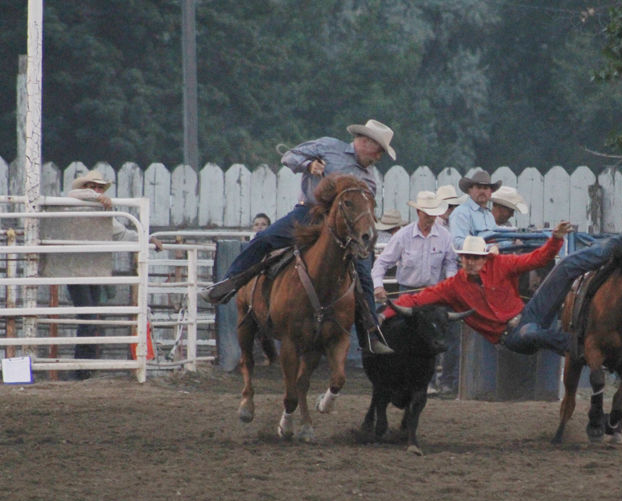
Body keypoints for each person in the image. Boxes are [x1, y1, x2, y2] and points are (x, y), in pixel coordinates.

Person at [200, 119, 396, 354]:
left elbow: (364, 209)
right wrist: (308, 164)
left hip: (343, 228)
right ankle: (229, 283)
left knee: (364, 272)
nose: (379, 157)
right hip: (310, 213)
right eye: (379, 150)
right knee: (264, 239)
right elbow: (289, 157)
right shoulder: (327, 146)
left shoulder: (369, 179)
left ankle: (370, 332)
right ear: (366, 142)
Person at [385, 222, 576, 355]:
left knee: (566, 266)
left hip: (526, 315)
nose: (470, 261)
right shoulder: (453, 286)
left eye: (475, 257)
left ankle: (606, 252)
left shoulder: (500, 263)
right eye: (466, 257)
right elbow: (416, 299)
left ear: (484, 258)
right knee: (531, 333)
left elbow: (538, 259)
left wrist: (556, 239)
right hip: (509, 334)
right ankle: (576, 346)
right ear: (461, 258)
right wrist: (385, 314)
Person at [64, 170, 163, 379]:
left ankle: (85, 369)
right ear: (86, 188)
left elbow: (124, 234)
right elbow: (73, 195)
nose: (98, 191)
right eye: (93, 187)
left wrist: (147, 238)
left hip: (94, 269)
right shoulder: (77, 204)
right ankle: (81, 370)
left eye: (100, 187)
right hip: (77, 268)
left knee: (91, 318)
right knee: (89, 317)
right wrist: (98, 197)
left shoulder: (105, 214)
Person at [372, 192, 457, 301]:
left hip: (434, 292)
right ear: (418, 212)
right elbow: (382, 262)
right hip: (406, 293)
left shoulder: (445, 236)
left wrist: (450, 284)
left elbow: (450, 264)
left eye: (434, 215)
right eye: (427, 215)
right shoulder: (403, 235)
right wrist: (378, 285)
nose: (431, 219)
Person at [448, 169, 500, 249]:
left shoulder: (489, 215)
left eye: (486, 188)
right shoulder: (461, 213)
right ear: (470, 191)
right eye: (478, 187)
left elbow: (497, 239)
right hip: (468, 260)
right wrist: (486, 248)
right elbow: (458, 243)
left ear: (490, 193)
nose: (482, 191)